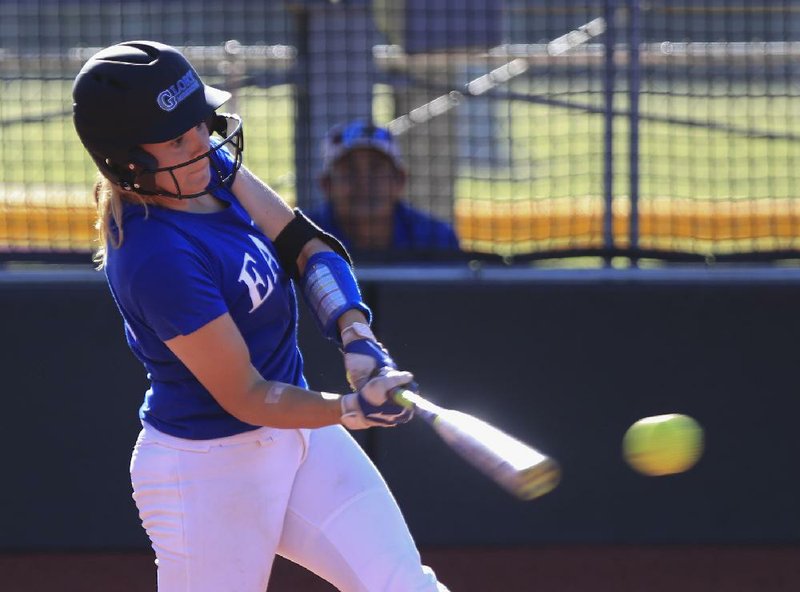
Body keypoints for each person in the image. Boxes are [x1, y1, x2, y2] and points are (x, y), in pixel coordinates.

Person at [72, 40, 448, 592]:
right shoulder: (157, 258)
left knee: (404, 585)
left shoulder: (206, 171)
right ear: (129, 162)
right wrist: (348, 407)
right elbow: (245, 394)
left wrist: (355, 331)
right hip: (208, 470)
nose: (202, 142)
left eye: (201, 123)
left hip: (298, 439)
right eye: (179, 137)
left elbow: (306, 246)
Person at [308, 120, 460, 253]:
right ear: (326, 184)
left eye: (376, 169)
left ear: (399, 180)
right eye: (350, 171)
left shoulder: (437, 239)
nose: (364, 182)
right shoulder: (302, 239)